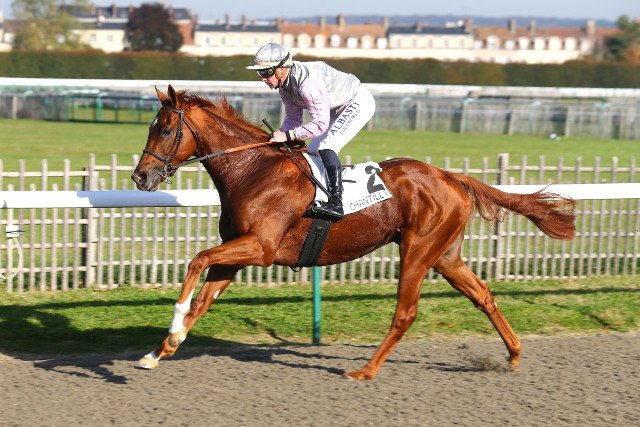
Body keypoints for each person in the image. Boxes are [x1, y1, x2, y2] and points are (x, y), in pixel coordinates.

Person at [246, 43, 376, 221]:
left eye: (266, 72)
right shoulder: (285, 87)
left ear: (282, 70)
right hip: (335, 107)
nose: (263, 78)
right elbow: (293, 120)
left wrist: (288, 135)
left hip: (357, 102)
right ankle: (319, 196)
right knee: (313, 152)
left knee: (328, 146)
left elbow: (320, 125)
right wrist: (278, 135)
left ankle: (337, 203)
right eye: (260, 73)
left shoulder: (308, 85)